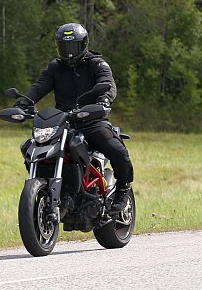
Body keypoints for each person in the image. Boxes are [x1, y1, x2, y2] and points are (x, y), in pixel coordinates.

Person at [15, 22, 134, 212]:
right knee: (30, 148)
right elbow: (40, 86)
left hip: (92, 118)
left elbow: (107, 82)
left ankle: (123, 190)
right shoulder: (55, 67)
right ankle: (48, 189)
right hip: (63, 122)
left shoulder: (96, 64)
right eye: (64, 46)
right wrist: (23, 103)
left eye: (73, 46)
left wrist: (104, 101)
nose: (69, 52)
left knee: (116, 149)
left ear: (84, 44)